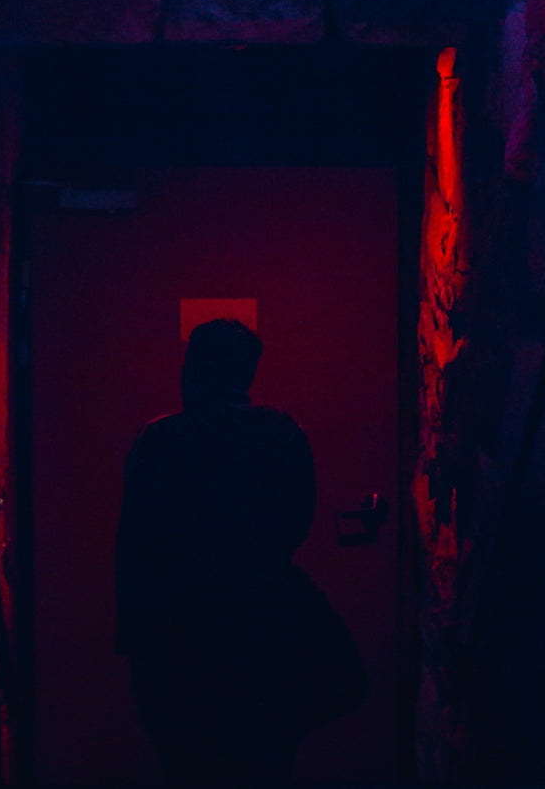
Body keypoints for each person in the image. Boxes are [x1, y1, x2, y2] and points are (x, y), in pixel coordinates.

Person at [115, 318, 366, 785]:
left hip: (180, 632)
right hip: (266, 626)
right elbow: (296, 523)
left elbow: (136, 550)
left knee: (189, 763)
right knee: (265, 762)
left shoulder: (164, 441)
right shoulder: (280, 435)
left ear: (196, 370)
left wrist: (136, 643)